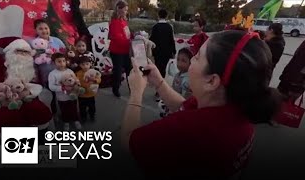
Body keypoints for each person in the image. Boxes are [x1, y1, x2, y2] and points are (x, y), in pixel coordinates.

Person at [121, 30, 281, 178]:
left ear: (211, 80)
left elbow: (129, 142)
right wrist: (158, 82)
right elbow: (183, 107)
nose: (191, 61)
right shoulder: (237, 109)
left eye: (197, 57)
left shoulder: (189, 130)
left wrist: (136, 92)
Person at [0, 37, 52, 142]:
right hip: (4, 100)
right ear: (10, 51)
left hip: (26, 97)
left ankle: (41, 144)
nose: (22, 55)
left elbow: (35, 84)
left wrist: (28, 92)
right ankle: (16, 149)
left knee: (39, 110)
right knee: (9, 116)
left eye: (26, 52)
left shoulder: (29, 66)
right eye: (19, 51)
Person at [33, 19, 66, 119]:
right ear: (36, 30)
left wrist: (55, 55)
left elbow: (64, 54)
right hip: (46, 76)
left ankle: (65, 114)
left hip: (60, 75)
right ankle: (54, 114)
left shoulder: (57, 41)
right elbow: (32, 60)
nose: (44, 31)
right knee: (51, 97)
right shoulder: (34, 44)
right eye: (40, 28)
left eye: (46, 28)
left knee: (63, 95)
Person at [48, 53, 82, 131]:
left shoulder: (70, 71)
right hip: (62, 98)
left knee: (74, 108)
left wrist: (77, 83)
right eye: (59, 61)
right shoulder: (52, 74)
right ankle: (66, 122)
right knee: (64, 111)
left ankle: (76, 120)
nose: (62, 63)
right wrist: (63, 88)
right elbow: (51, 87)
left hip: (73, 95)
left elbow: (75, 79)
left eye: (64, 61)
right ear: (54, 63)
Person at [108, 0, 131, 98]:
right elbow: (116, 37)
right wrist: (128, 41)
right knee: (117, 71)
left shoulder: (124, 21)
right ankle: (115, 89)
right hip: (117, 51)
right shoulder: (114, 22)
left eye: (126, 10)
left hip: (125, 50)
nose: (126, 12)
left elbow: (127, 34)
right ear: (119, 9)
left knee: (129, 70)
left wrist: (135, 36)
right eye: (125, 10)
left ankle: (133, 88)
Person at [150, 9, 176, 79]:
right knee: (163, 68)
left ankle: (158, 82)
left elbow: (152, 40)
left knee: (158, 67)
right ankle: (162, 82)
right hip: (166, 52)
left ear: (158, 15)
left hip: (157, 52)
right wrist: (174, 51)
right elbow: (171, 40)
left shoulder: (155, 27)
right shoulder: (169, 27)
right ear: (166, 16)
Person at [76, 56, 101, 122]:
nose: (85, 66)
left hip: (91, 94)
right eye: (83, 64)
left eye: (87, 64)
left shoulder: (94, 72)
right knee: (82, 108)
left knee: (92, 107)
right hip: (82, 95)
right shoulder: (78, 73)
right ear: (80, 65)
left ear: (90, 64)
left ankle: (92, 116)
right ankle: (83, 117)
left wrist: (95, 80)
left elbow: (99, 79)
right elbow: (76, 81)